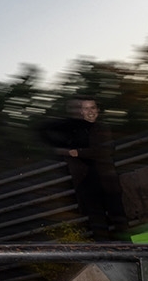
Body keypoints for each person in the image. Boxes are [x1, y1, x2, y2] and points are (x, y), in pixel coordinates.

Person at [40, 98, 129, 240]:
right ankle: (108, 256)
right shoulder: (75, 131)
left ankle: (131, 253)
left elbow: (104, 150)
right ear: (81, 112)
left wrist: (78, 152)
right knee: (97, 224)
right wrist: (68, 152)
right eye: (86, 109)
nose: (90, 112)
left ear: (97, 111)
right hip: (86, 184)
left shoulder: (102, 128)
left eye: (93, 108)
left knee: (118, 218)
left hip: (107, 182)